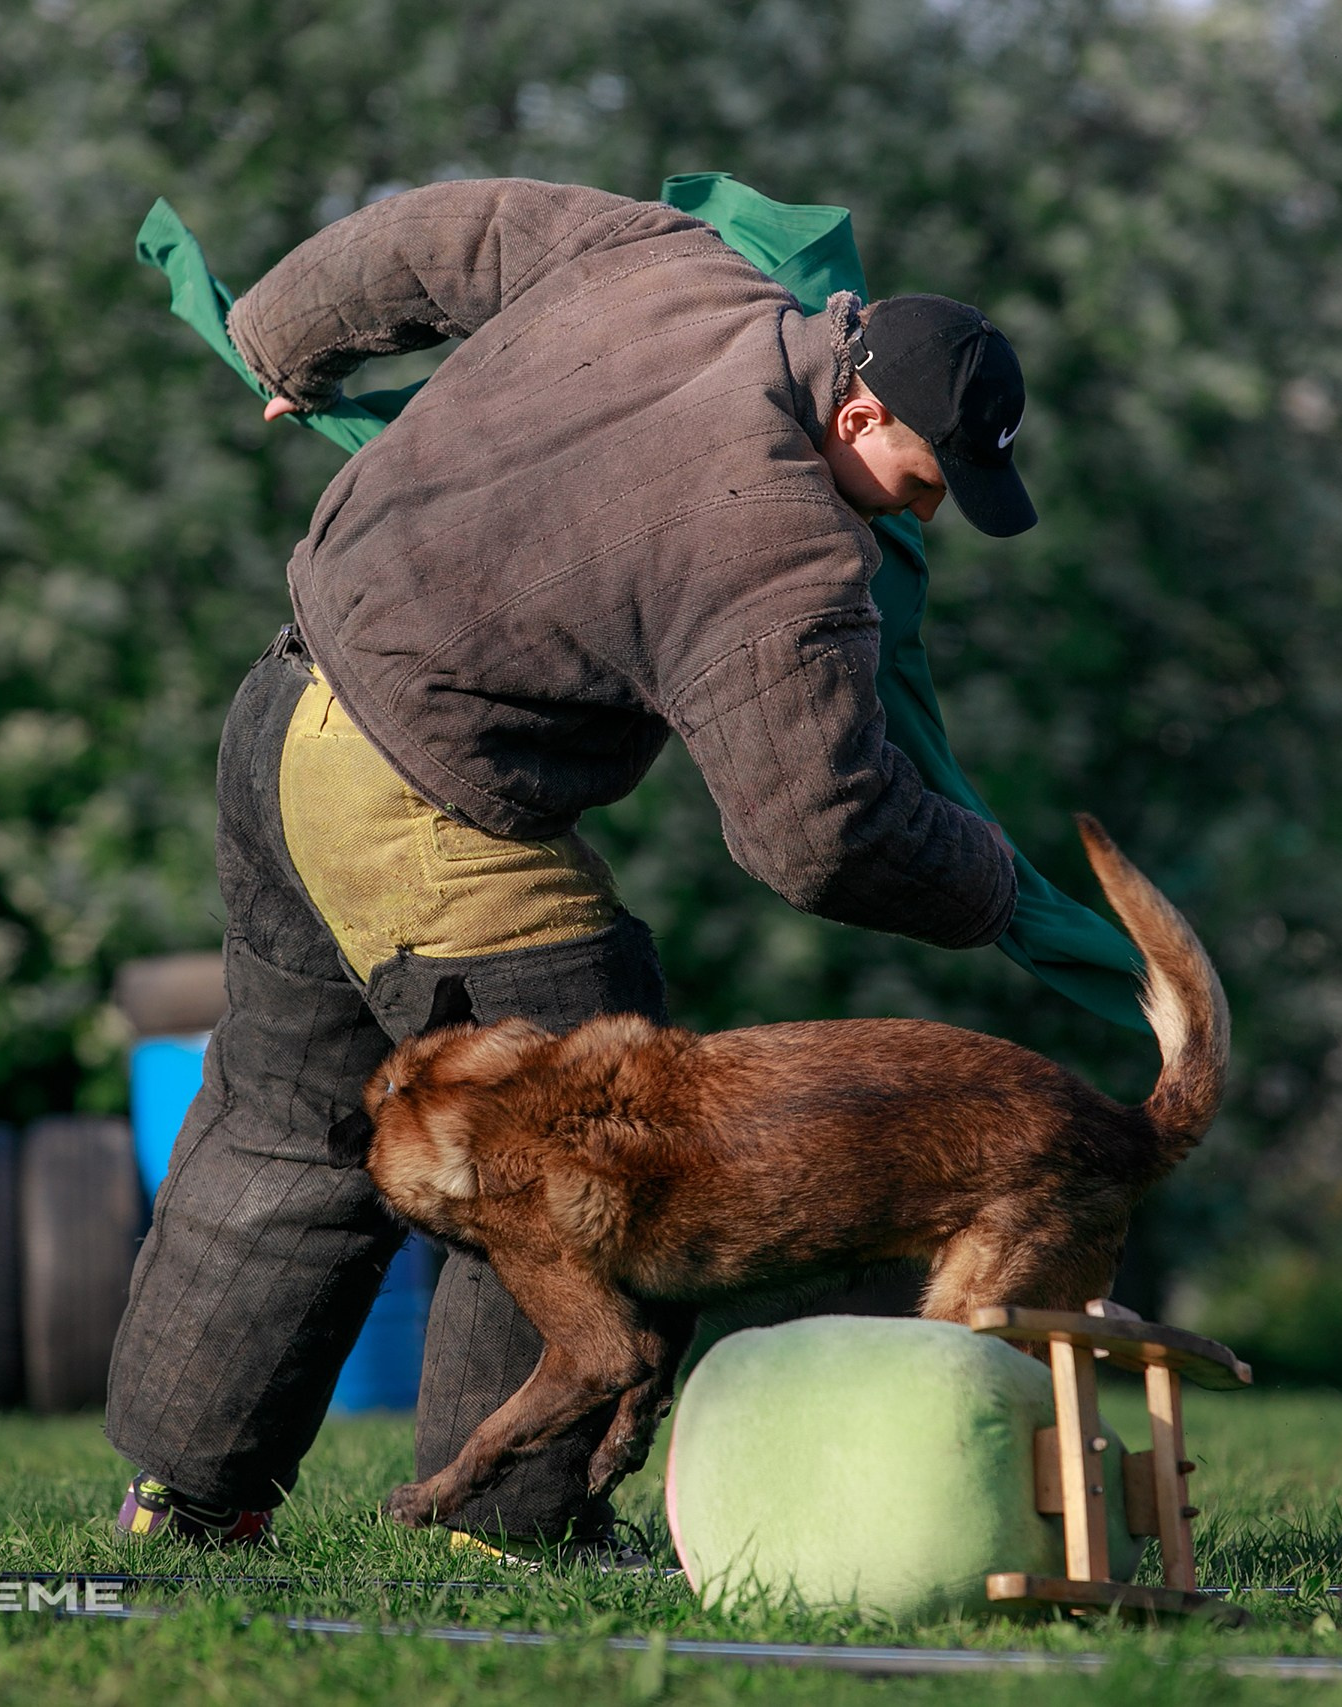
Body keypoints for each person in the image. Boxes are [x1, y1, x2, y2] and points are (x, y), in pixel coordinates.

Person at [106, 175, 1087, 1553]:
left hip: (284, 712)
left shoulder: (664, 262)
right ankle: (507, 1522)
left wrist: (284, 338)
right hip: (422, 788)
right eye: (924, 486)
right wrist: (996, 885)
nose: (918, 523)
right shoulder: (785, 549)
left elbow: (441, 232)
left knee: (284, 1115)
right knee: (596, 1142)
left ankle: (185, 1500)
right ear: (861, 416)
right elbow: (821, 831)